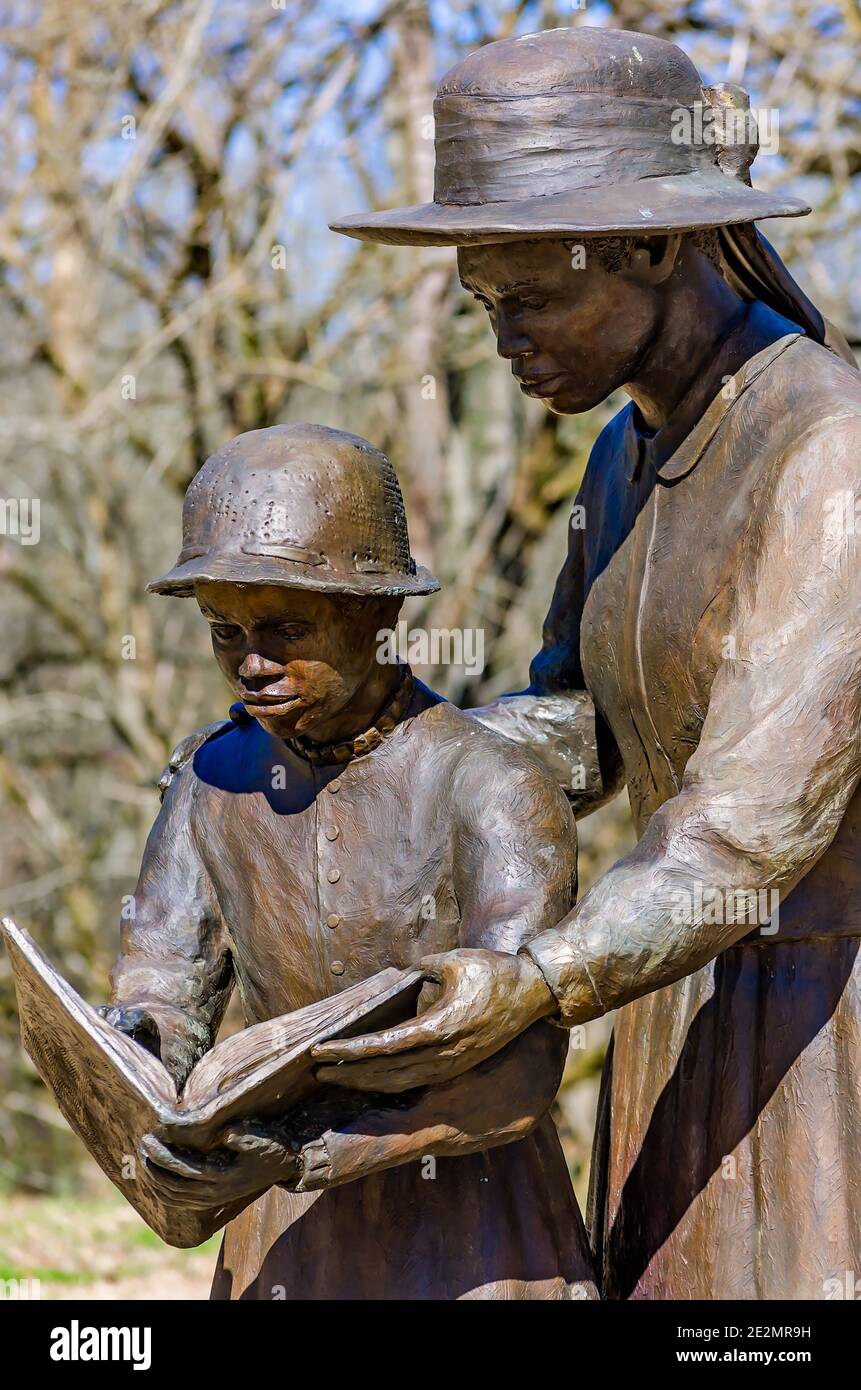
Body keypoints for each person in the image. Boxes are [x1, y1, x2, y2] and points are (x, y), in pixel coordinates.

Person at [324, 27, 861, 1299]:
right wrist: (378, 762)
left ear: (659, 247)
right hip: (675, 997)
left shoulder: (826, 454)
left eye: (533, 297)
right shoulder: (622, 458)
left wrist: (538, 979)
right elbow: (578, 719)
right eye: (484, 303)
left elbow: (743, 827)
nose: (504, 339)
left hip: (825, 1028)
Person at [104, 421, 598, 1300]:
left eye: (285, 626)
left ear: (379, 615)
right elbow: (163, 982)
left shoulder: (492, 785)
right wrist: (137, 1057)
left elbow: (520, 1070)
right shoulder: (210, 776)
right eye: (224, 631)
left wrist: (311, 1151)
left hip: (475, 1235)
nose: (250, 664)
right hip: (281, 1230)